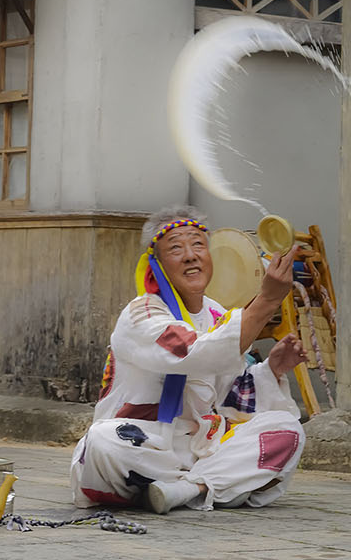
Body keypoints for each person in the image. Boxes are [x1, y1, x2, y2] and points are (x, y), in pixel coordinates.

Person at [70, 204, 308, 513]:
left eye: (198, 244)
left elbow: (230, 394)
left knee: (286, 428)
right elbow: (196, 353)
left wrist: (273, 368)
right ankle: (213, 483)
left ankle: (187, 489)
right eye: (176, 248)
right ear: (156, 264)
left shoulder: (217, 314)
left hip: (198, 447)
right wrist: (268, 300)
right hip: (146, 444)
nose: (190, 255)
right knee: (104, 441)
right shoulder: (142, 313)